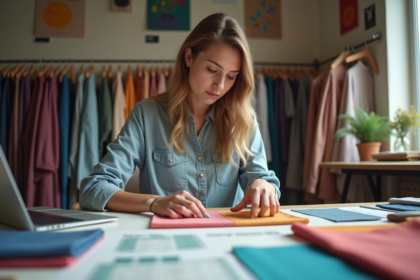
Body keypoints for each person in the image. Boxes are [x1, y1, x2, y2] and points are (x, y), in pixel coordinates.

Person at [80, 13, 280, 219]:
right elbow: (93, 188)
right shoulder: (146, 115)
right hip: (166, 239)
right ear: (189, 57)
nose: (220, 86)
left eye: (231, 76)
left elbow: (264, 180)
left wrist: (263, 185)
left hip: (226, 238)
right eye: (212, 69)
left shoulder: (243, 120)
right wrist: (154, 202)